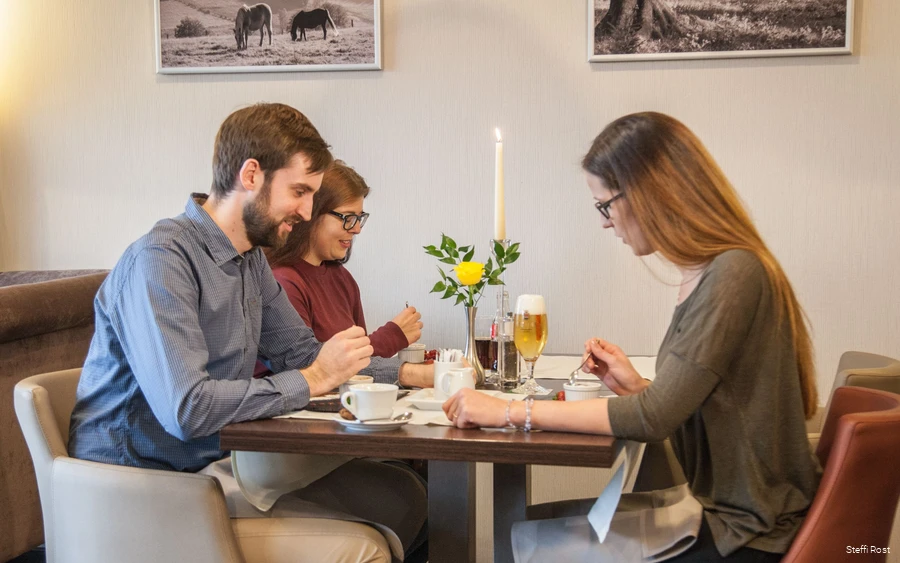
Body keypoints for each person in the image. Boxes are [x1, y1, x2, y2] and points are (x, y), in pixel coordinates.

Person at [443, 112, 820, 562]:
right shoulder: (713, 272)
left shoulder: (733, 274)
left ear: (647, 192)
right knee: (524, 535)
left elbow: (654, 419)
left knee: (523, 544)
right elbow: (703, 407)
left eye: (605, 205)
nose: (605, 222)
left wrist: (508, 411)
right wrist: (639, 388)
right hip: (727, 516)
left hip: (749, 534)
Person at [68, 103, 431, 560]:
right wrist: (312, 380)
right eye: (299, 191)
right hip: (139, 492)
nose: (305, 210)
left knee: (402, 495)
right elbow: (189, 408)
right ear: (251, 174)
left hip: (206, 469)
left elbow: (300, 351)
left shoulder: (249, 260)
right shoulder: (161, 260)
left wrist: (410, 376)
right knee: (380, 525)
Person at [261, 160, 421, 362]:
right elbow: (310, 366)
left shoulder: (342, 278)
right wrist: (390, 338)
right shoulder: (283, 283)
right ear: (311, 214)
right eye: (347, 217)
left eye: (359, 218)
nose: (356, 229)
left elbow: (362, 369)